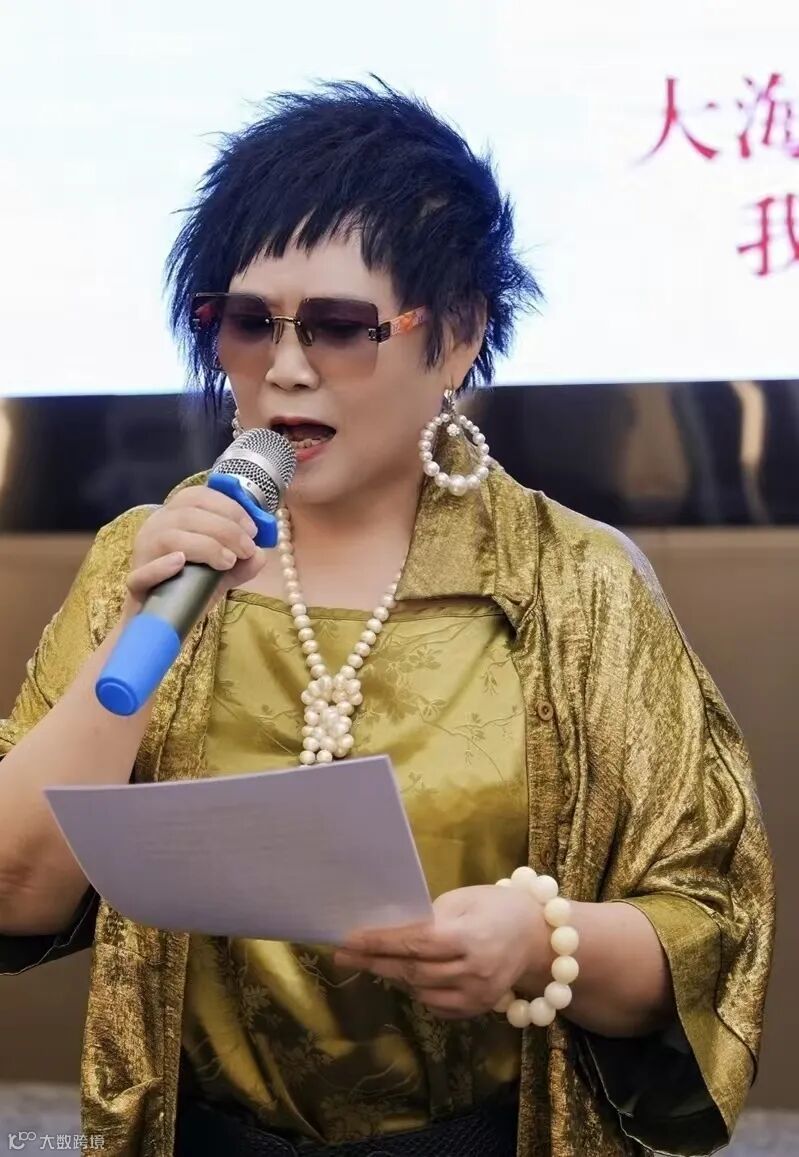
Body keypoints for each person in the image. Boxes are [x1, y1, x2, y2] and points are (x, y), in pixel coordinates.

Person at [0, 81, 774, 1157]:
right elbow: (17, 888)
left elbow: (708, 927)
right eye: (246, 322)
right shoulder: (151, 558)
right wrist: (133, 637)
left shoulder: (574, 581)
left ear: (455, 337)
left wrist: (543, 941)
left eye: (338, 327)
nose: (284, 367)